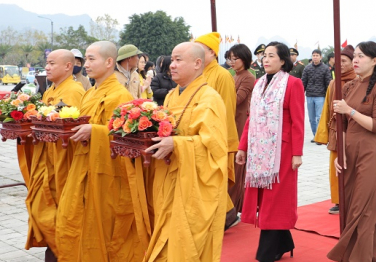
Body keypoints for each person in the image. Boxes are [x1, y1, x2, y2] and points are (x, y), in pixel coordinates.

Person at [143, 42, 229, 261]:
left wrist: (178, 144)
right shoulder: (172, 96)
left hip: (194, 185)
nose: (172, 65)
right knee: (165, 238)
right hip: (169, 177)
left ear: (197, 63)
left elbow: (215, 147)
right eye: (172, 59)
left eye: (179, 59)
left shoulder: (209, 98)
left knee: (187, 242)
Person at [55, 41, 139, 261]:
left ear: (109, 61)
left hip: (107, 173)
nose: (86, 64)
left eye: (92, 59)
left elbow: (127, 138)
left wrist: (96, 131)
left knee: (103, 224)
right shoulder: (89, 92)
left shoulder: (120, 96)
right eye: (86, 58)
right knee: (73, 217)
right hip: (83, 165)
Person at [236, 42, 304, 262]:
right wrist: (242, 147)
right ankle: (284, 242)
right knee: (266, 199)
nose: (266, 59)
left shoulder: (293, 84)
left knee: (276, 199)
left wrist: (297, 153)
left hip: (281, 151)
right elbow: (251, 119)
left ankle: (267, 250)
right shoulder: (258, 84)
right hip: (258, 150)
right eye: (264, 56)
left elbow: (298, 121)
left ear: (283, 60)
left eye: (271, 56)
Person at [327, 41, 376, 261]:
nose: (355, 60)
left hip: (370, 153)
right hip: (349, 152)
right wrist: (340, 154)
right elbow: (341, 125)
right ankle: (375, 247)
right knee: (349, 206)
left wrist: (350, 110)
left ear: (375, 61)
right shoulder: (348, 86)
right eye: (354, 56)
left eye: (361, 56)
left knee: (363, 210)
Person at [26, 50, 85, 262]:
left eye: (52, 63)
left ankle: (63, 253)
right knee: (42, 209)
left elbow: (72, 131)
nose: (47, 67)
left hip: (63, 162)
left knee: (57, 212)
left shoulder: (74, 91)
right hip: (47, 159)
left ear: (68, 66)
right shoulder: (50, 90)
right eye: (46, 63)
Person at [194, 32, 240, 230]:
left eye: (200, 51)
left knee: (216, 179)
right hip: (199, 136)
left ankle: (227, 216)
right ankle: (224, 215)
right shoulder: (197, 74)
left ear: (212, 53)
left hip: (217, 137)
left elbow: (228, 110)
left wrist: (226, 141)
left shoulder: (222, 76)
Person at [314, 45, 357, 214]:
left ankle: (352, 199)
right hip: (336, 131)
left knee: (353, 166)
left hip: (353, 131)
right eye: (338, 61)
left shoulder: (358, 81)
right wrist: (324, 135)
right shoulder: (333, 83)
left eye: (344, 61)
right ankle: (339, 201)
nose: (340, 64)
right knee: (336, 168)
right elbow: (326, 110)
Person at [228, 43, 256, 219]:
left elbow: (237, 99)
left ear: (244, 59)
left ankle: (235, 206)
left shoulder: (248, 77)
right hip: (232, 122)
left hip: (241, 124)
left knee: (238, 166)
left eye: (235, 58)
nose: (231, 62)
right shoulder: (233, 76)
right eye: (229, 58)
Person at [301, 49, 332, 141]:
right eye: (313, 55)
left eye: (317, 55)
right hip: (309, 95)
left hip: (320, 96)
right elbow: (303, 82)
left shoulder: (325, 68)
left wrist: (328, 95)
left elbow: (328, 83)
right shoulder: (307, 68)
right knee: (311, 118)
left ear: (321, 57)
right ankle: (315, 135)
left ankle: (320, 137)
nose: (315, 57)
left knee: (319, 117)